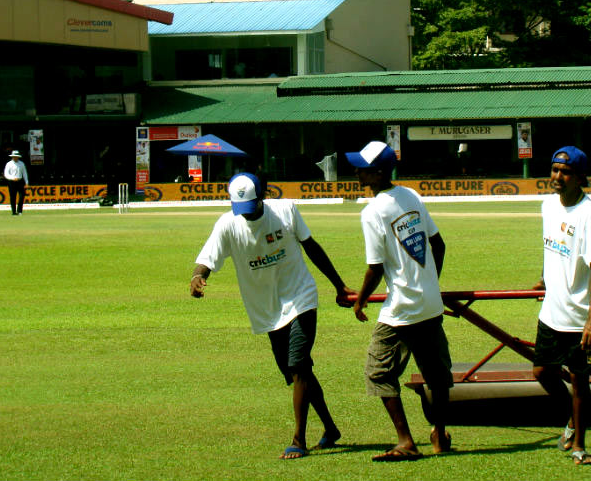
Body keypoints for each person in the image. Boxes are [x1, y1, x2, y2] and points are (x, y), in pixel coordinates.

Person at [189, 172, 355, 460]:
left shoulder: (285, 211)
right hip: (267, 309)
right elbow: (207, 258)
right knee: (296, 373)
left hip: (301, 296)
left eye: (251, 207)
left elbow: (311, 247)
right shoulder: (228, 224)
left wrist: (339, 286)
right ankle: (331, 428)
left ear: (263, 195)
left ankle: (298, 440)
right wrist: (197, 277)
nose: (246, 215)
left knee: (298, 364)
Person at [347, 141, 453, 461]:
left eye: (363, 169)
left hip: (402, 308)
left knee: (377, 371)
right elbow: (439, 245)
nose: (357, 172)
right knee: (436, 375)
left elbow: (375, 268)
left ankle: (405, 440)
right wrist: (430, 283)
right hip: (430, 304)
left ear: (377, 174)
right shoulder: (410, 195)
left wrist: (360, 302)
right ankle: (439, 431)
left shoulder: (372, 211)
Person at [531, 146, 591, 466]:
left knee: (579, 379)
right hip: (553, 309)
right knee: (541, 371)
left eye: (565, 173)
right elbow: (554, 249)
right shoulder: (548, 206)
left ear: (579, 178)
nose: (557, 177)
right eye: (554, 170)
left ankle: (579, 446)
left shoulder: (590, 214)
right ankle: (571, 418)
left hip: (580, 315)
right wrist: (544, 280)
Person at [4, 150, 29, 215]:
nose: (15, 158)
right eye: (14, 156)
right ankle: (14, 212)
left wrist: (26, 182)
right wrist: (12, 178)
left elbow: (24, 173)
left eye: (16, 156)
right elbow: (6, 174)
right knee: (13, 197)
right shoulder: (9, 164)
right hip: (12, 182)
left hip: (20, 181)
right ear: (12, 157)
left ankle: (19, 211)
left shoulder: (21, 163)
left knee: (21, 196)